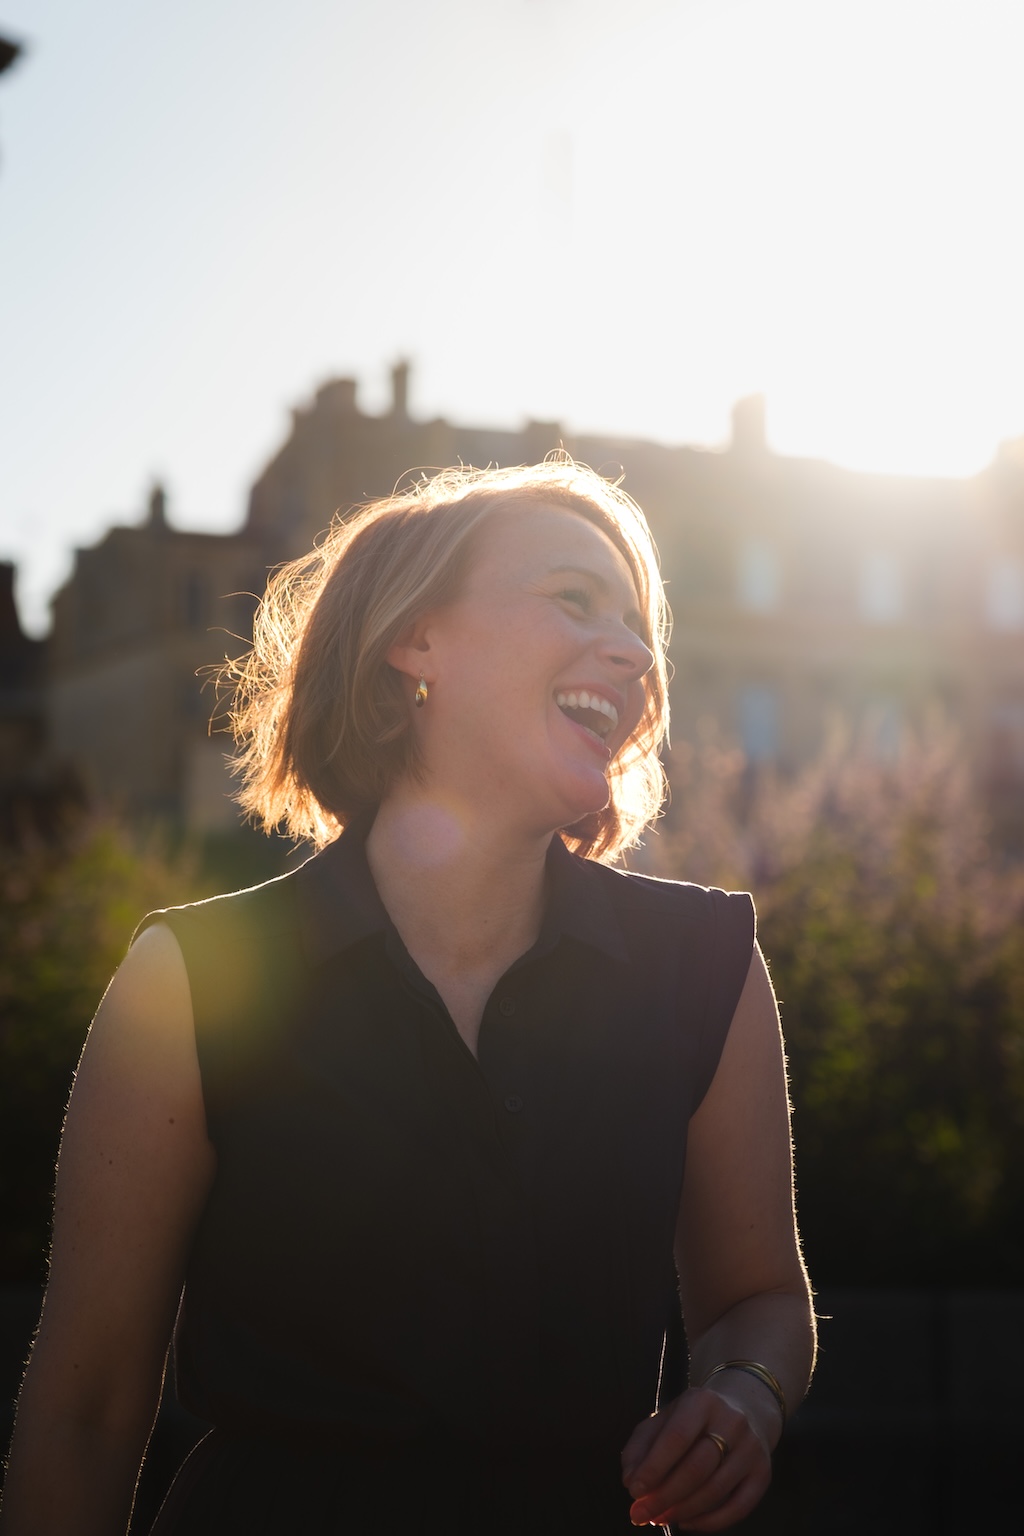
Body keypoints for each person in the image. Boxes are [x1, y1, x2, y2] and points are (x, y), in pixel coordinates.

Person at [0, 459, 815, 1534]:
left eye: (636, 625)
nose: (631, 653)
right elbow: (88, 1411)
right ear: (413, 639)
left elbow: (761, 1301)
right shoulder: (191, 979)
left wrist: (743, 1397)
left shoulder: (707, 966)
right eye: (574, 599)